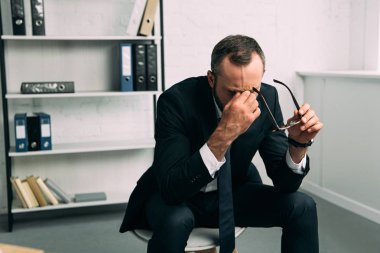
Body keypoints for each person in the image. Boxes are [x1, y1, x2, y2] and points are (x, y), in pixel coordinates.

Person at [120, 34, 323, 253]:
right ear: (211, 79)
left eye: (252, 91)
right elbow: (172, 188)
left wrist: (297, 145)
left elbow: (285, 184)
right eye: (233, 92)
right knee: (176, 221)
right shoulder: (176, 101)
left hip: (232, 193)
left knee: (302, 206)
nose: (242, 101)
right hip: (178, 195)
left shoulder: (267, 98)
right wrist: (225, 133)